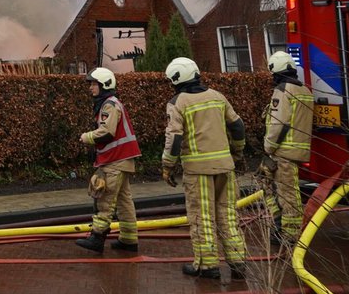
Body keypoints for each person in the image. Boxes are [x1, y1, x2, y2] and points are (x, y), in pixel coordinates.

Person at [162, 57, 249, 280]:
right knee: (228, 215)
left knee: (203, 217)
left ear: (176, 79)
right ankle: (238, 263)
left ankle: (208, 266)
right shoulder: (217, 96)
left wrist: (167, 167)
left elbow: (175, 138)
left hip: (198, 171)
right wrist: (237, 153)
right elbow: (237, 126)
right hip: (225, 168)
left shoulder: (178, 102)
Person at [75, 67, 141, 253]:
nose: (91, 88)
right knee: (123, 200)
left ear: (104, 85)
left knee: (104, 198)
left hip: (115, 160)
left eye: (94, 84)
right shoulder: (112, 103)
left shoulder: (109, 105)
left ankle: (97, 238)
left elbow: (107, 131)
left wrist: (87, 137)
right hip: (123, 159)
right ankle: (129, 239)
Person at [260, 50, 314, 246]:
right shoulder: (305, 91)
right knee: (268, 183)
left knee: (287, 194)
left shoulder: (282, 91)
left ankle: (288, 235)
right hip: (298, 150)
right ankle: (279, 223)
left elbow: (278, 123)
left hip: (282, 152)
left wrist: (269, 147)